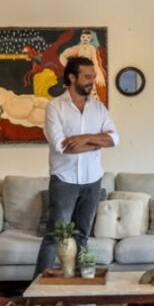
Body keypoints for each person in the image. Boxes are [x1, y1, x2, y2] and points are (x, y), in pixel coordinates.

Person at [33, 56, 119, 277]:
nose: (92, 81)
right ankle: (37, 290)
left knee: (82, 236)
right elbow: (61, 145)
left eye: (93, 76)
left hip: (93, 180)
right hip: (64, 180)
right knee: (55, 235)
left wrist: (84, 138)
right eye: (87, 77)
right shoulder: (55, 107)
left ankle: (82, 286)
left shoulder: (98, 108)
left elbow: (113, 139)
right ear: (72, 77)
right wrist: (95, 143)